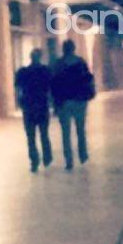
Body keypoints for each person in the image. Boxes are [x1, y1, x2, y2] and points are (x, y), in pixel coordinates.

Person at [50, 40, 95, 170]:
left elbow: (53, 84)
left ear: (63, 49)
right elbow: (88, 79)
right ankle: (83, 155)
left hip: (64, 102)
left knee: (66, 133)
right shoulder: (80, 62)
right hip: (80, 101)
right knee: (80, 129)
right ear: (73, 49)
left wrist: (54, 103)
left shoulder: (58, 64)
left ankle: (69, 160)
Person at [15, 46, 53, 173]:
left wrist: (20, 102)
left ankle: (34, 161)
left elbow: (18, 88)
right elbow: (50, 88)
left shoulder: (22, 72)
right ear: (40, 57)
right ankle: (47, 157)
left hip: (29, 106)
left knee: (30, 137)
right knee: (44, 134)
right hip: (41, 105)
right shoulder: (45, 71)